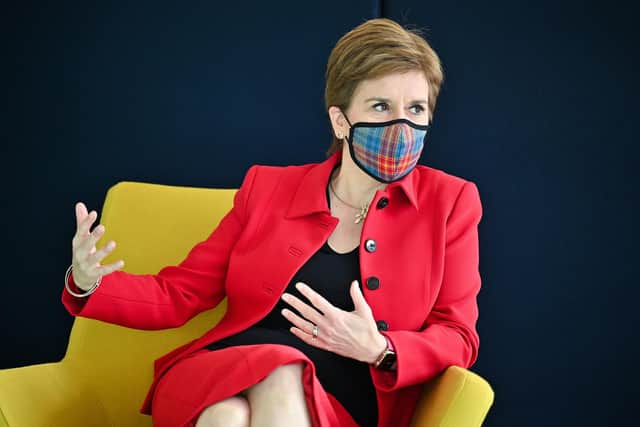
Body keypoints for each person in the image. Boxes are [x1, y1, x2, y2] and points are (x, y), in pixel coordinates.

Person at [63, 17, 483, 427]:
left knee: (226, 418)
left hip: (342, 402)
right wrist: (88, 282)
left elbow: (457, 334)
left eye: (416, 108)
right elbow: (181, 292)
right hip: (226, 367)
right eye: (380, 106)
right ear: (341, 121)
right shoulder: (267, 187)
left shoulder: (451, 202)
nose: (402, 125)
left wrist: (380, 349)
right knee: (271, 377)